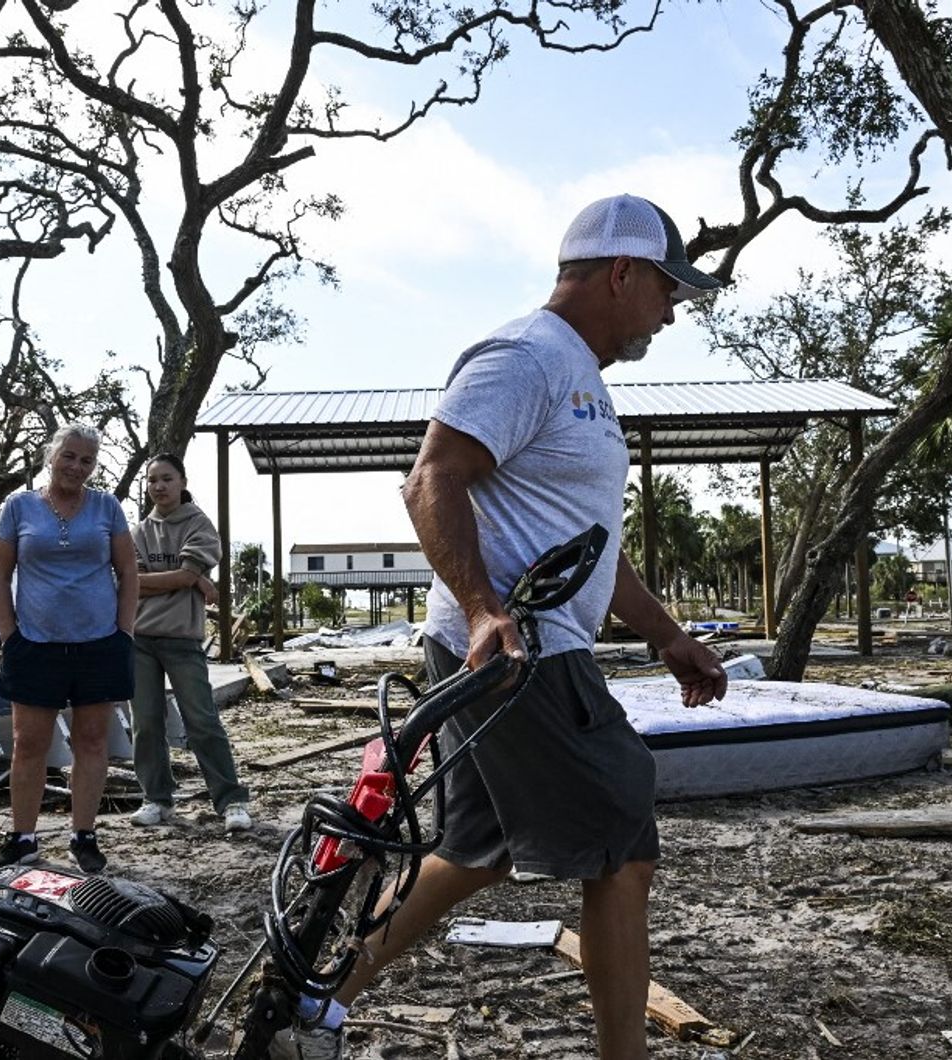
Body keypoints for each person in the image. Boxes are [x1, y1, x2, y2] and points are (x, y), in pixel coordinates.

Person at [278, 195, 730, 1060]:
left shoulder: (580, 376)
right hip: (521, 652)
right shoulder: (527, 356)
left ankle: (310, 999)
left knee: (477, 851)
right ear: (621, 271)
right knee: (624, 843)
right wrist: (487, 610)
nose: (672, 312)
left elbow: (590, 549)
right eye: (667, 289)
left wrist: (667, 635)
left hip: (511, 647)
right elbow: (431, 479)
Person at [0, 423, 139, 875]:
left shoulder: (107, 507)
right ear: (52, 456)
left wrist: (123, 631)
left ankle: (83, 835)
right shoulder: (19, 507)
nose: (76, 466)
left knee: (92, 741)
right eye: (69, 456)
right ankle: (23, 839)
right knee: (29, 743)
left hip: (99, 644)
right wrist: (9, 634)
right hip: (35, 645)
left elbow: (128, 571)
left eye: (87, 460)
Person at [128, 453, 252, 832]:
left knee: (201, 720)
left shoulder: (199, 525)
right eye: (152, 480)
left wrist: (184, 577)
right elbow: (128, 580)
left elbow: (150, 580)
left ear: (182, 481)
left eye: (166, 479)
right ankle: (157, 799)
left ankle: (231, 801)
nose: (159, 487)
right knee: (145, 723)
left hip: (182, 639)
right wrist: (188, 577)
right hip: (140, 639)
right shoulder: (138, 531)